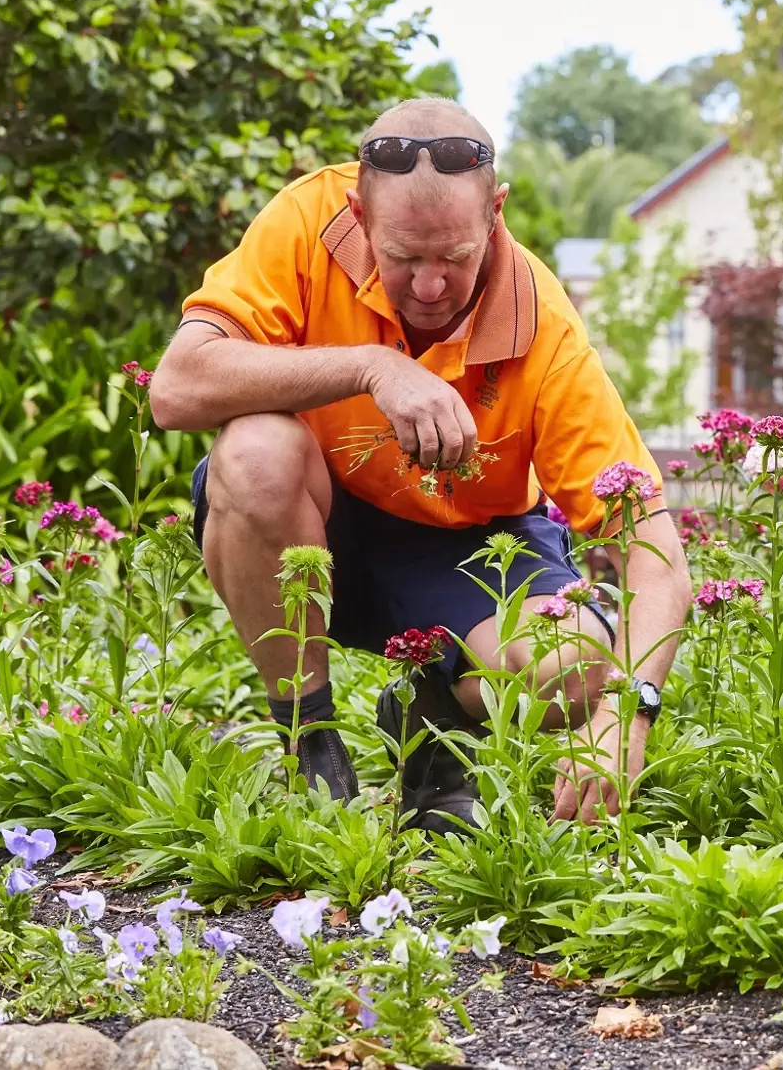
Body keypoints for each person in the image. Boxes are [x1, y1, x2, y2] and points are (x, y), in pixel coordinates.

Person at [149, 97, 693, 831]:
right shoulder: (305, 222)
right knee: (254, 450)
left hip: (469, 548)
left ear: (495, 212)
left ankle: (430, 713)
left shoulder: (546, 324)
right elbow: (178, 386)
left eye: (455, 258)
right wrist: (373, 367)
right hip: (314, 518)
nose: (430, 286)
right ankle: (310, 744)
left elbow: (654, 550)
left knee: (575, 661)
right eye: (403, 258)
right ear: (359, 213)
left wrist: (629, 711)